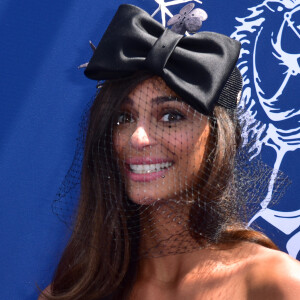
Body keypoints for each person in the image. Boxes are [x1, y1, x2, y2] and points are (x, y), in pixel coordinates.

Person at [39, 4, 300, 300]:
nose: (138, 138)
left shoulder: (277, 285)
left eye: (171, 116)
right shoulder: (69, 294)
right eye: (123, 118)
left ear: (218, 138)